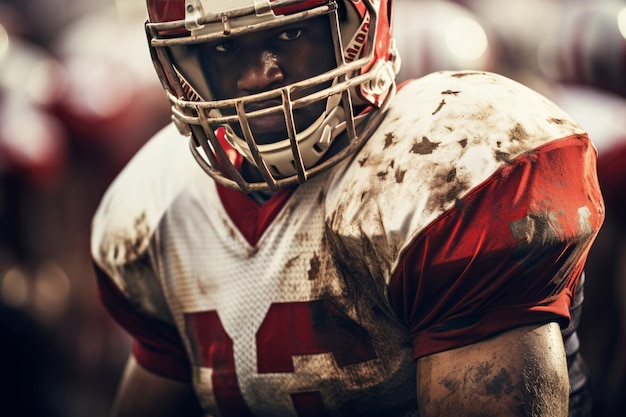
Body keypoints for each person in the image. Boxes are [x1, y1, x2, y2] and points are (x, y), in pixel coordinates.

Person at [90, 1, 605, 416]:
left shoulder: (445, 162)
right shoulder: (157, 204)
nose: (255, 77)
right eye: (224, 46)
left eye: (290, 34)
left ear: (361, 25)